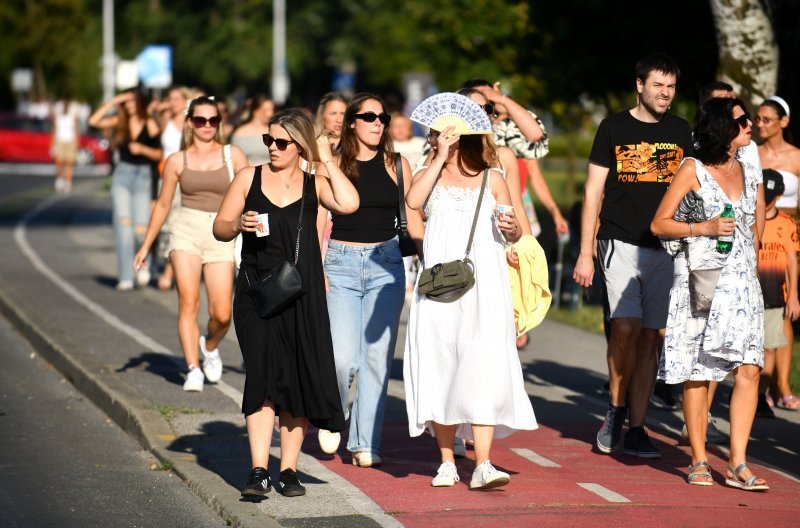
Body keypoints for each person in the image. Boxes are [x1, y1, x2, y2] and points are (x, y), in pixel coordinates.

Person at [213, 109, 359, 497]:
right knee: (261, 375)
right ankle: (259, 470)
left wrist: (325, 157)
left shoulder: (316, 183)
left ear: (299, 147)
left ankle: (289, 469)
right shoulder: (250, 178)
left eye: (281, 143)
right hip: (256, 292)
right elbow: (220, 227)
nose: (272, 149)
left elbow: (350, 203)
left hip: (302, 292)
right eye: (268, 141)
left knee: (296, 378)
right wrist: (237, 225)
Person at [403, 97, 536, 490]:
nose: (437, 136)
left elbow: (518, 232)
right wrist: (439, 155)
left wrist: (511, 229)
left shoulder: (493, 178)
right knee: (441, 362)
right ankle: (446, 461)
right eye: (435, 133)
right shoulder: (429, 172)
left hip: (485, 286)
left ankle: (484, 463)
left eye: (445, 133)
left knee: (483, 365)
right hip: (440, 286)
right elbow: (412, 202)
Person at [573, 53, 693, 459]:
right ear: (639, 85)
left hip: (666, 249)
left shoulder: (681, 131)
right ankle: (616, 407)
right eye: (658, 85)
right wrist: (586, 251)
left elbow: (695, 189)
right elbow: (593, 191)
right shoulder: (613, 127)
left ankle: (638, 427)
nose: (665, 93)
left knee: (650, 336)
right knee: (624, 327)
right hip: (619, 241)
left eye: (671, 87)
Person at [651, 96, 767, 491]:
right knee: (699, 370)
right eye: (742, 120)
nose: (750, 125)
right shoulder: (691, 169)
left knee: (750, 367)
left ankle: (738, 462)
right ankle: (699, 459)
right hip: (701, 281)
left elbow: (754, 227)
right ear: (723, 128)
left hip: (743, 284)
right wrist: (703, 228)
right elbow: (659, 224)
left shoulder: (750, 170)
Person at [316, 94, 425, 468]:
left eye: (383, 117)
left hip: (387, 264)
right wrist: (316, 264)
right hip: (341, 264)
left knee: (376, 359)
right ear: (351, 123)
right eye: (369, 116)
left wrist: (430, 263)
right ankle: (333, 413)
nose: (378, 123)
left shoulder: (397, 164)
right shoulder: (333, 163)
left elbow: (414, 216)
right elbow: (319, 217)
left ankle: (365, 442)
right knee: (343, 359)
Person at [133, 96, 248, 391]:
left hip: (221, 230)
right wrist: (146, 246)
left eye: (213, 120)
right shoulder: (177, 160)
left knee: (222, 313)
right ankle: (193, 367)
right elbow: (162, 205)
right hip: (186, 228)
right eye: (200, 120)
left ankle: (209, 346)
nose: (207, 126)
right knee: (188, 301)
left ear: (219, 123)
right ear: (190, 123)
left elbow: (251, 192)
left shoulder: (232, 154)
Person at [88, 89, 162, 291]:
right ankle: (125, 276)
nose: (128, 105)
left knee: (140, 229)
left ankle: (142, 264)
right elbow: (94, 121)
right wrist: (114, 100)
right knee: (123, 226)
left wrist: (143, 150)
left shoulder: (150, 123)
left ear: (139, 102)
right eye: (125, 102)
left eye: (131, 101)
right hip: (122, 176)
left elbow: (158, 154)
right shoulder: (118, 122)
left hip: (143, 177)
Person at [757, 96, 800, 411]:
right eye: (757, 119)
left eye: (767, 119)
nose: (760, 124)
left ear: (783, 122)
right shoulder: (752, 155)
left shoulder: (796, 157)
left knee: (786, 304)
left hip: (788, 234)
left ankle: (782, 383)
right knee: (764, 305)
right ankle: (761, 381)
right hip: (760, 233)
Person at [154, 85, 193, 291]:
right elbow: (154, 117)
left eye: (178, 98)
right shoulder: (166, 120)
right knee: (166, 225)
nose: (174, 102)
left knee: (179, 223)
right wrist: (164, 106)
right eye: (171, 98)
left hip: (185, 175)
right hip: (165, 176)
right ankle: (169, 266)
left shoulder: (192, 122)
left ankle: (170, 272)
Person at [231, 95, 275, 165]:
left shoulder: (274, 131)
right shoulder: (240, 133)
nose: (270, 114)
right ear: (255, 111)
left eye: (272, 109)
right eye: (265, 110)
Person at [51, 98, 80, 194]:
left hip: (70, 141)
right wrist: (52, 144)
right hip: (60, 140)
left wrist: (77, 143)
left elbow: (76, 129)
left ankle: (68, 182)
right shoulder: (58, 117)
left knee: (69, 162)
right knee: (59, 161)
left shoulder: (72, 116)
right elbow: (54, 130)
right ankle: (59, 179)